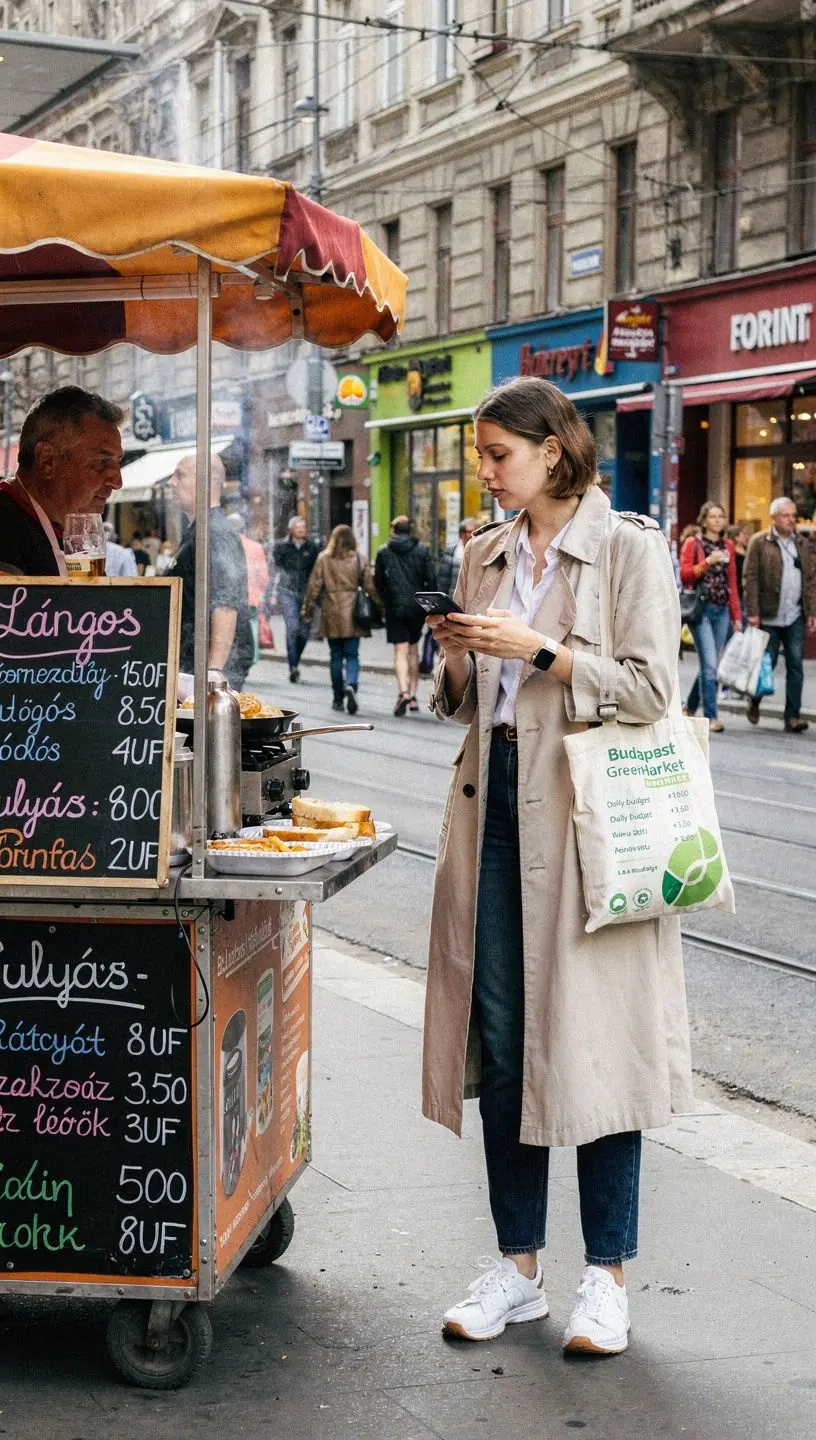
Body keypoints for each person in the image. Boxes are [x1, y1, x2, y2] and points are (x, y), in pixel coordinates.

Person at [423, 376, 692, 1357]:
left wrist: (541, 650)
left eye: (499, 455)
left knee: (596, 1047)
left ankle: (607, 1280)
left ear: (553, 450)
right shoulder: (484, 552)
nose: (486, 472)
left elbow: (654, 688)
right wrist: (454, 654)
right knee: (502, 1041)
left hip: (588, 824)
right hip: (493, 809)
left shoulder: (628, 549)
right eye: (481, 456)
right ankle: (518, 1267)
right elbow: (465, 705)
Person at [0, 385, 124, 574]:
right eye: (102, 461)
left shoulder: (73, 534)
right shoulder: (6, 527)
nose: (117, 482)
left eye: (117, 462)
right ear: (47, 460)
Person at [168, 452, 254, 690]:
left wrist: (214, 670)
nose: (171, 482)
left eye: (180, 475)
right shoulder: (200, 529)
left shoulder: (215, 532)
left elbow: (226, 602)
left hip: (207, 670)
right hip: (193, 663)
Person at [743, 496, 816, 733]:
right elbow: (750, 578)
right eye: (785, 515)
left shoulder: (802, 544)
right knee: (768, 663)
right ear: (773, 518)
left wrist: (811, 611)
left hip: (795, 614)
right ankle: (754, 700)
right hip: (768, 615)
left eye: (793, 515)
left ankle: (792, 717)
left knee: (796, 664)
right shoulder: (759, 542)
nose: (791, 520)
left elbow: (810, 580)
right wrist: (752, 612)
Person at [302, 524, 379, 713]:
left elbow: (313, 586)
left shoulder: (324, 559)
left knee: (335, 656)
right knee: (352, 655)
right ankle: (351, 684)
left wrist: (307, 609)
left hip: (331, 612)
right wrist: (380, 605)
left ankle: (337, 698)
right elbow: (369, 586)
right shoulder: (359, 559)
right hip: (353, 613)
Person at [679, 502, 742, 733]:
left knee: (710, 665)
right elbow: (685, 574)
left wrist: (736, 616)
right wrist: (707, 562)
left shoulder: (728, 546)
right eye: (713, 517)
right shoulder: (692, 544)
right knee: (710, 665)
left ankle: (689, 707)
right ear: (704, 520)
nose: (717, 521)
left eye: (720, 517)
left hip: (722, 609)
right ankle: (710, 716)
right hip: (701, 610)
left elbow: (732, 583)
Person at [375, 515, 437, 716]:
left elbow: (378, 583)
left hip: (395, 608)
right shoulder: (422, 550)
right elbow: (431, 579)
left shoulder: (384, 552)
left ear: (393, 530)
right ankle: (412, 695)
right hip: (417, 607)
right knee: (413, 651)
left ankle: (402, 692)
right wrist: (431, 607)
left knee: (399, 651)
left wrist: (387, 601)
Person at [273, 516, 319, 683]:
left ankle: (296, 660)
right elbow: (275, 569)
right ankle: (293, 666)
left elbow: (317, 570)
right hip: (287, 592)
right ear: (291, 530)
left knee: (305, 631)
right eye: (298, 527)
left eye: (303, 527)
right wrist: (272, 593)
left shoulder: (312, 548)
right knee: (292, 628)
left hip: (307, 593)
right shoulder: (282, 547)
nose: (301, 530)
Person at [227, 512, 270, 665]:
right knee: (249, 629)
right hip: (251, 597)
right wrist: (261, 591)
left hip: (227, 598)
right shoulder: (255, 547)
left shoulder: (223, 546)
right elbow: (264, 577)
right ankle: (248, 659)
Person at [438, 516, 482, 596]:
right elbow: (443, 581)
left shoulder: (482, 552)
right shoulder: (451, 552)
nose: (471, 535)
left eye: (475, 532)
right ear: (461, 533)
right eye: (468, 532)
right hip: (454, 600)